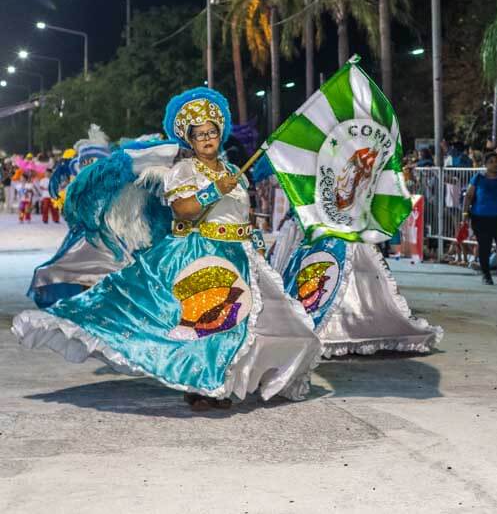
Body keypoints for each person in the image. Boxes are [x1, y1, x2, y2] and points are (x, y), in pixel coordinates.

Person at [13, 87, 321, 411]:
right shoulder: (184, 171)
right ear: (190, 140)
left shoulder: (233, 173)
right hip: (202, 252)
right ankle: (204, 387)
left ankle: (235, 380)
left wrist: (256, 243)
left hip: (241, 255)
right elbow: (184, 210)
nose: (206, 139)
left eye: (212, 133)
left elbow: (242, 213)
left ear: (220, 135)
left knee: (269, 324)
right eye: (199, 134)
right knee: (209, 327)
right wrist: (214, 190)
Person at [461, 152, 497, 285]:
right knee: (484, 247)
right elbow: (469, 196)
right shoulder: (478, 178)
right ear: (485, 164)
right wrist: (464, 214)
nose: (495, 164)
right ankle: (486, 274)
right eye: (492, 161)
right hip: (481, 218)